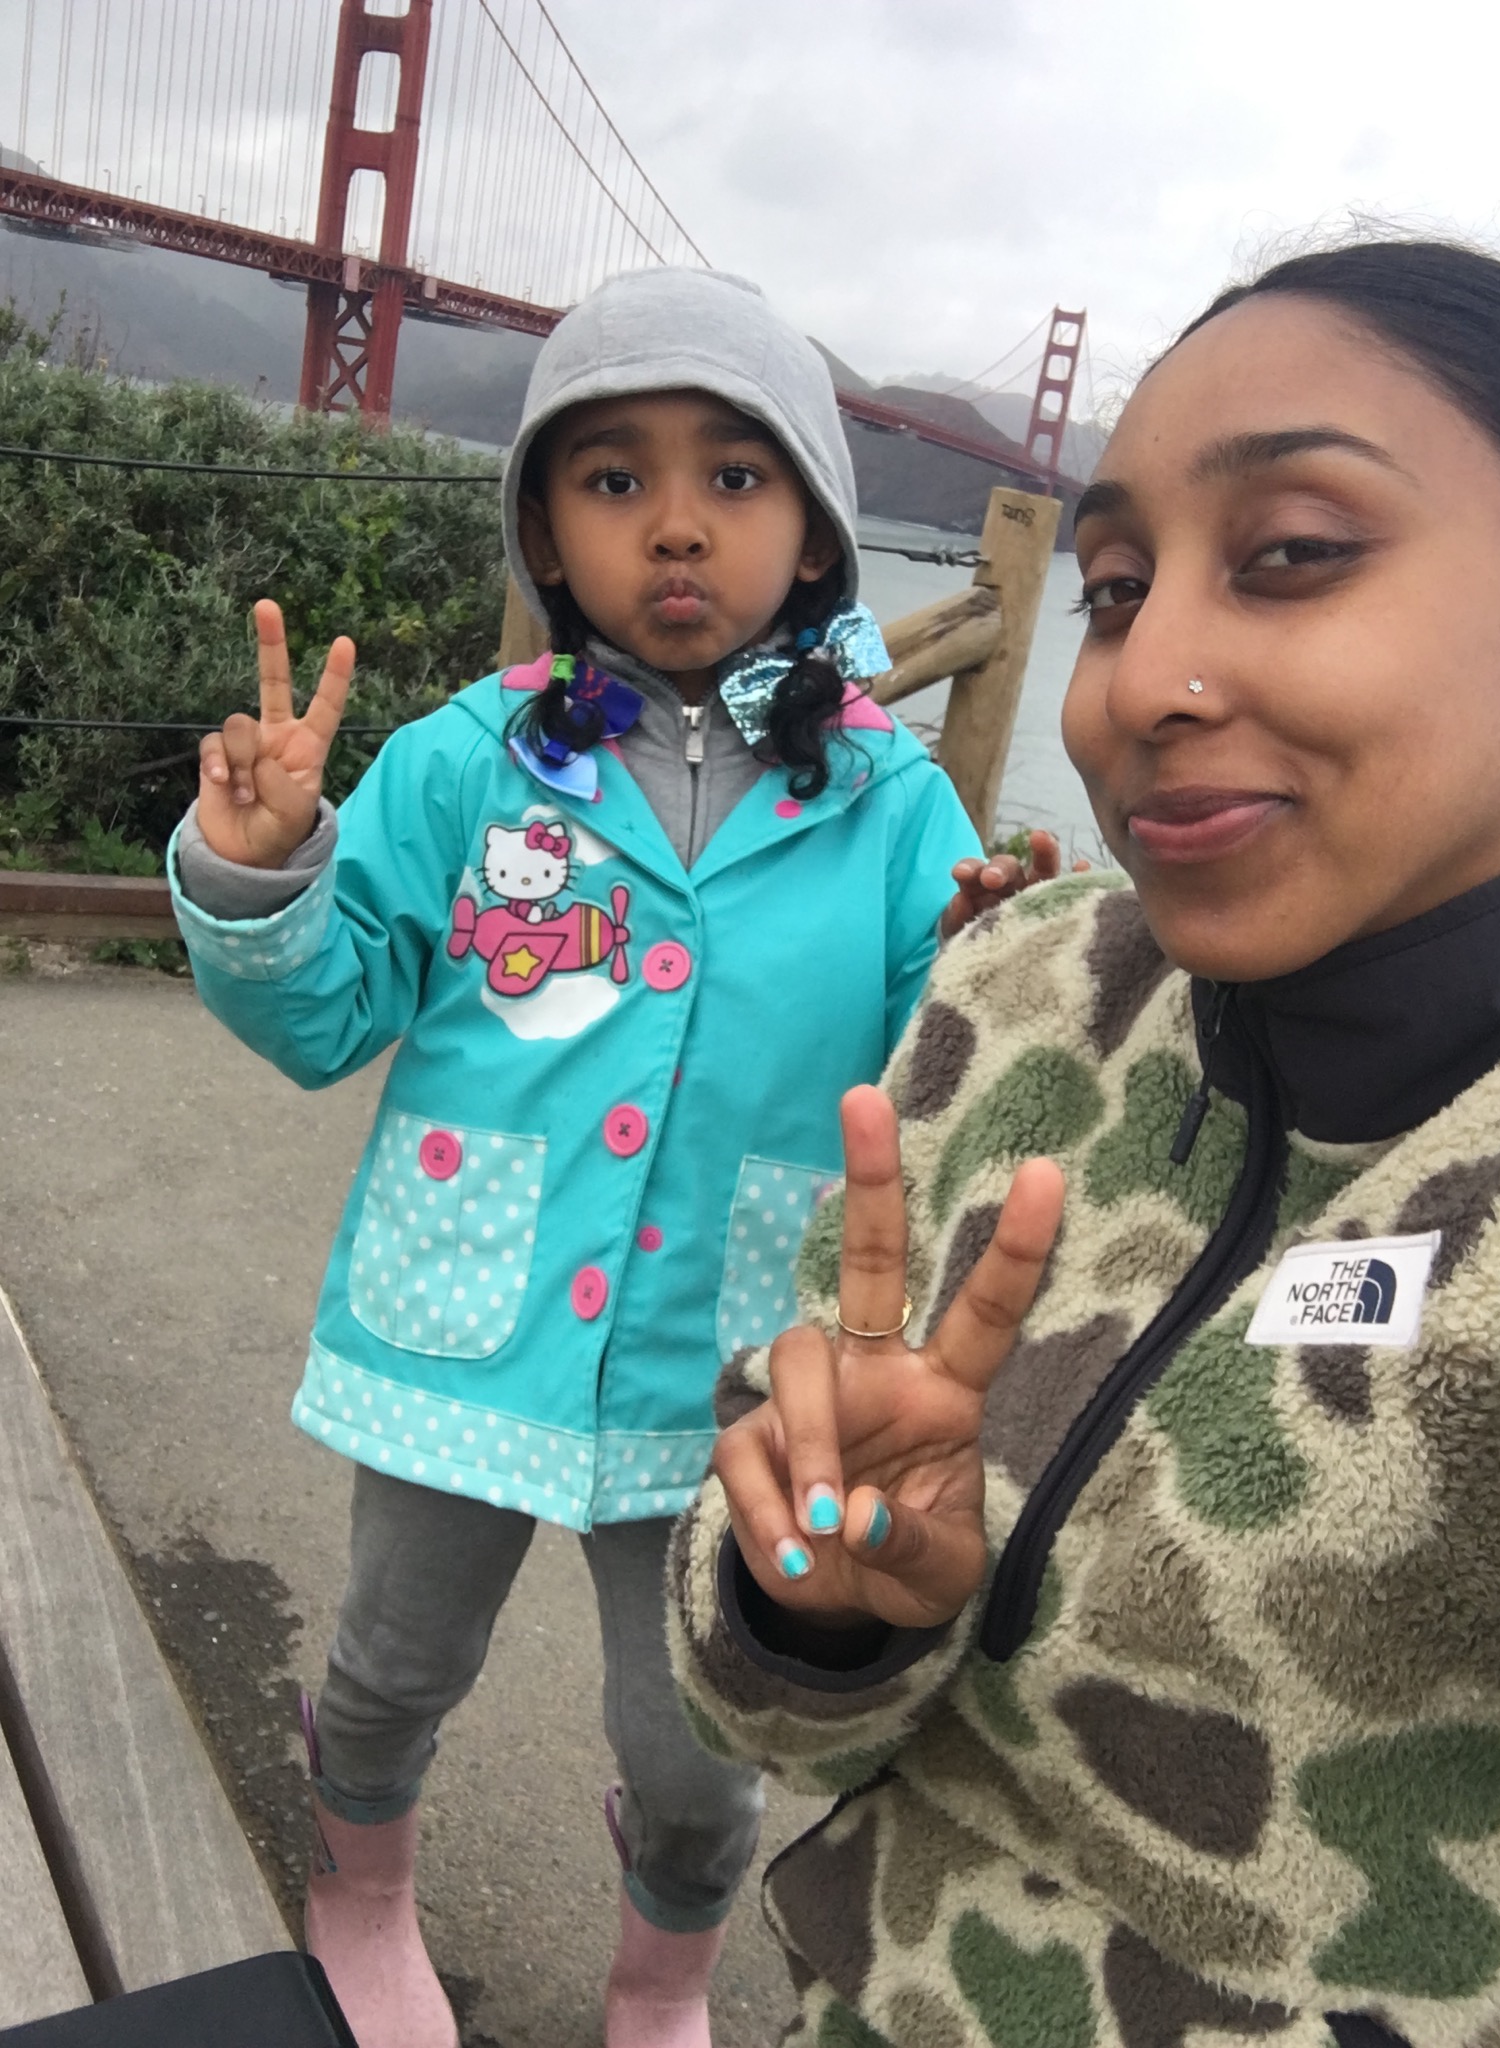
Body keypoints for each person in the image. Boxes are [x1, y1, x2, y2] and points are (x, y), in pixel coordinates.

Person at [671, 236, 1500, 2048]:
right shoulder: (1021, 999)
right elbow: (761, 1711)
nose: (1142, 684)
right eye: (1120, 588)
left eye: (1295, 554)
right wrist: (822, 1608)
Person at [166, 265, 1038, 2048]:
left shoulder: (894, 806)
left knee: (705, 1744)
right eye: (614, 478)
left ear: (815, 533)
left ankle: (660, 1982)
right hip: (457, 1328)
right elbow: (329, 1015)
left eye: (735, 476)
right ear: (549, 531)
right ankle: (362, 1887)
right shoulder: (459, 767)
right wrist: (262, 876)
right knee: (393, 1663)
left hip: (731, 1371)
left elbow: (932, 1087)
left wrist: (991, 976)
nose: (675, 526)